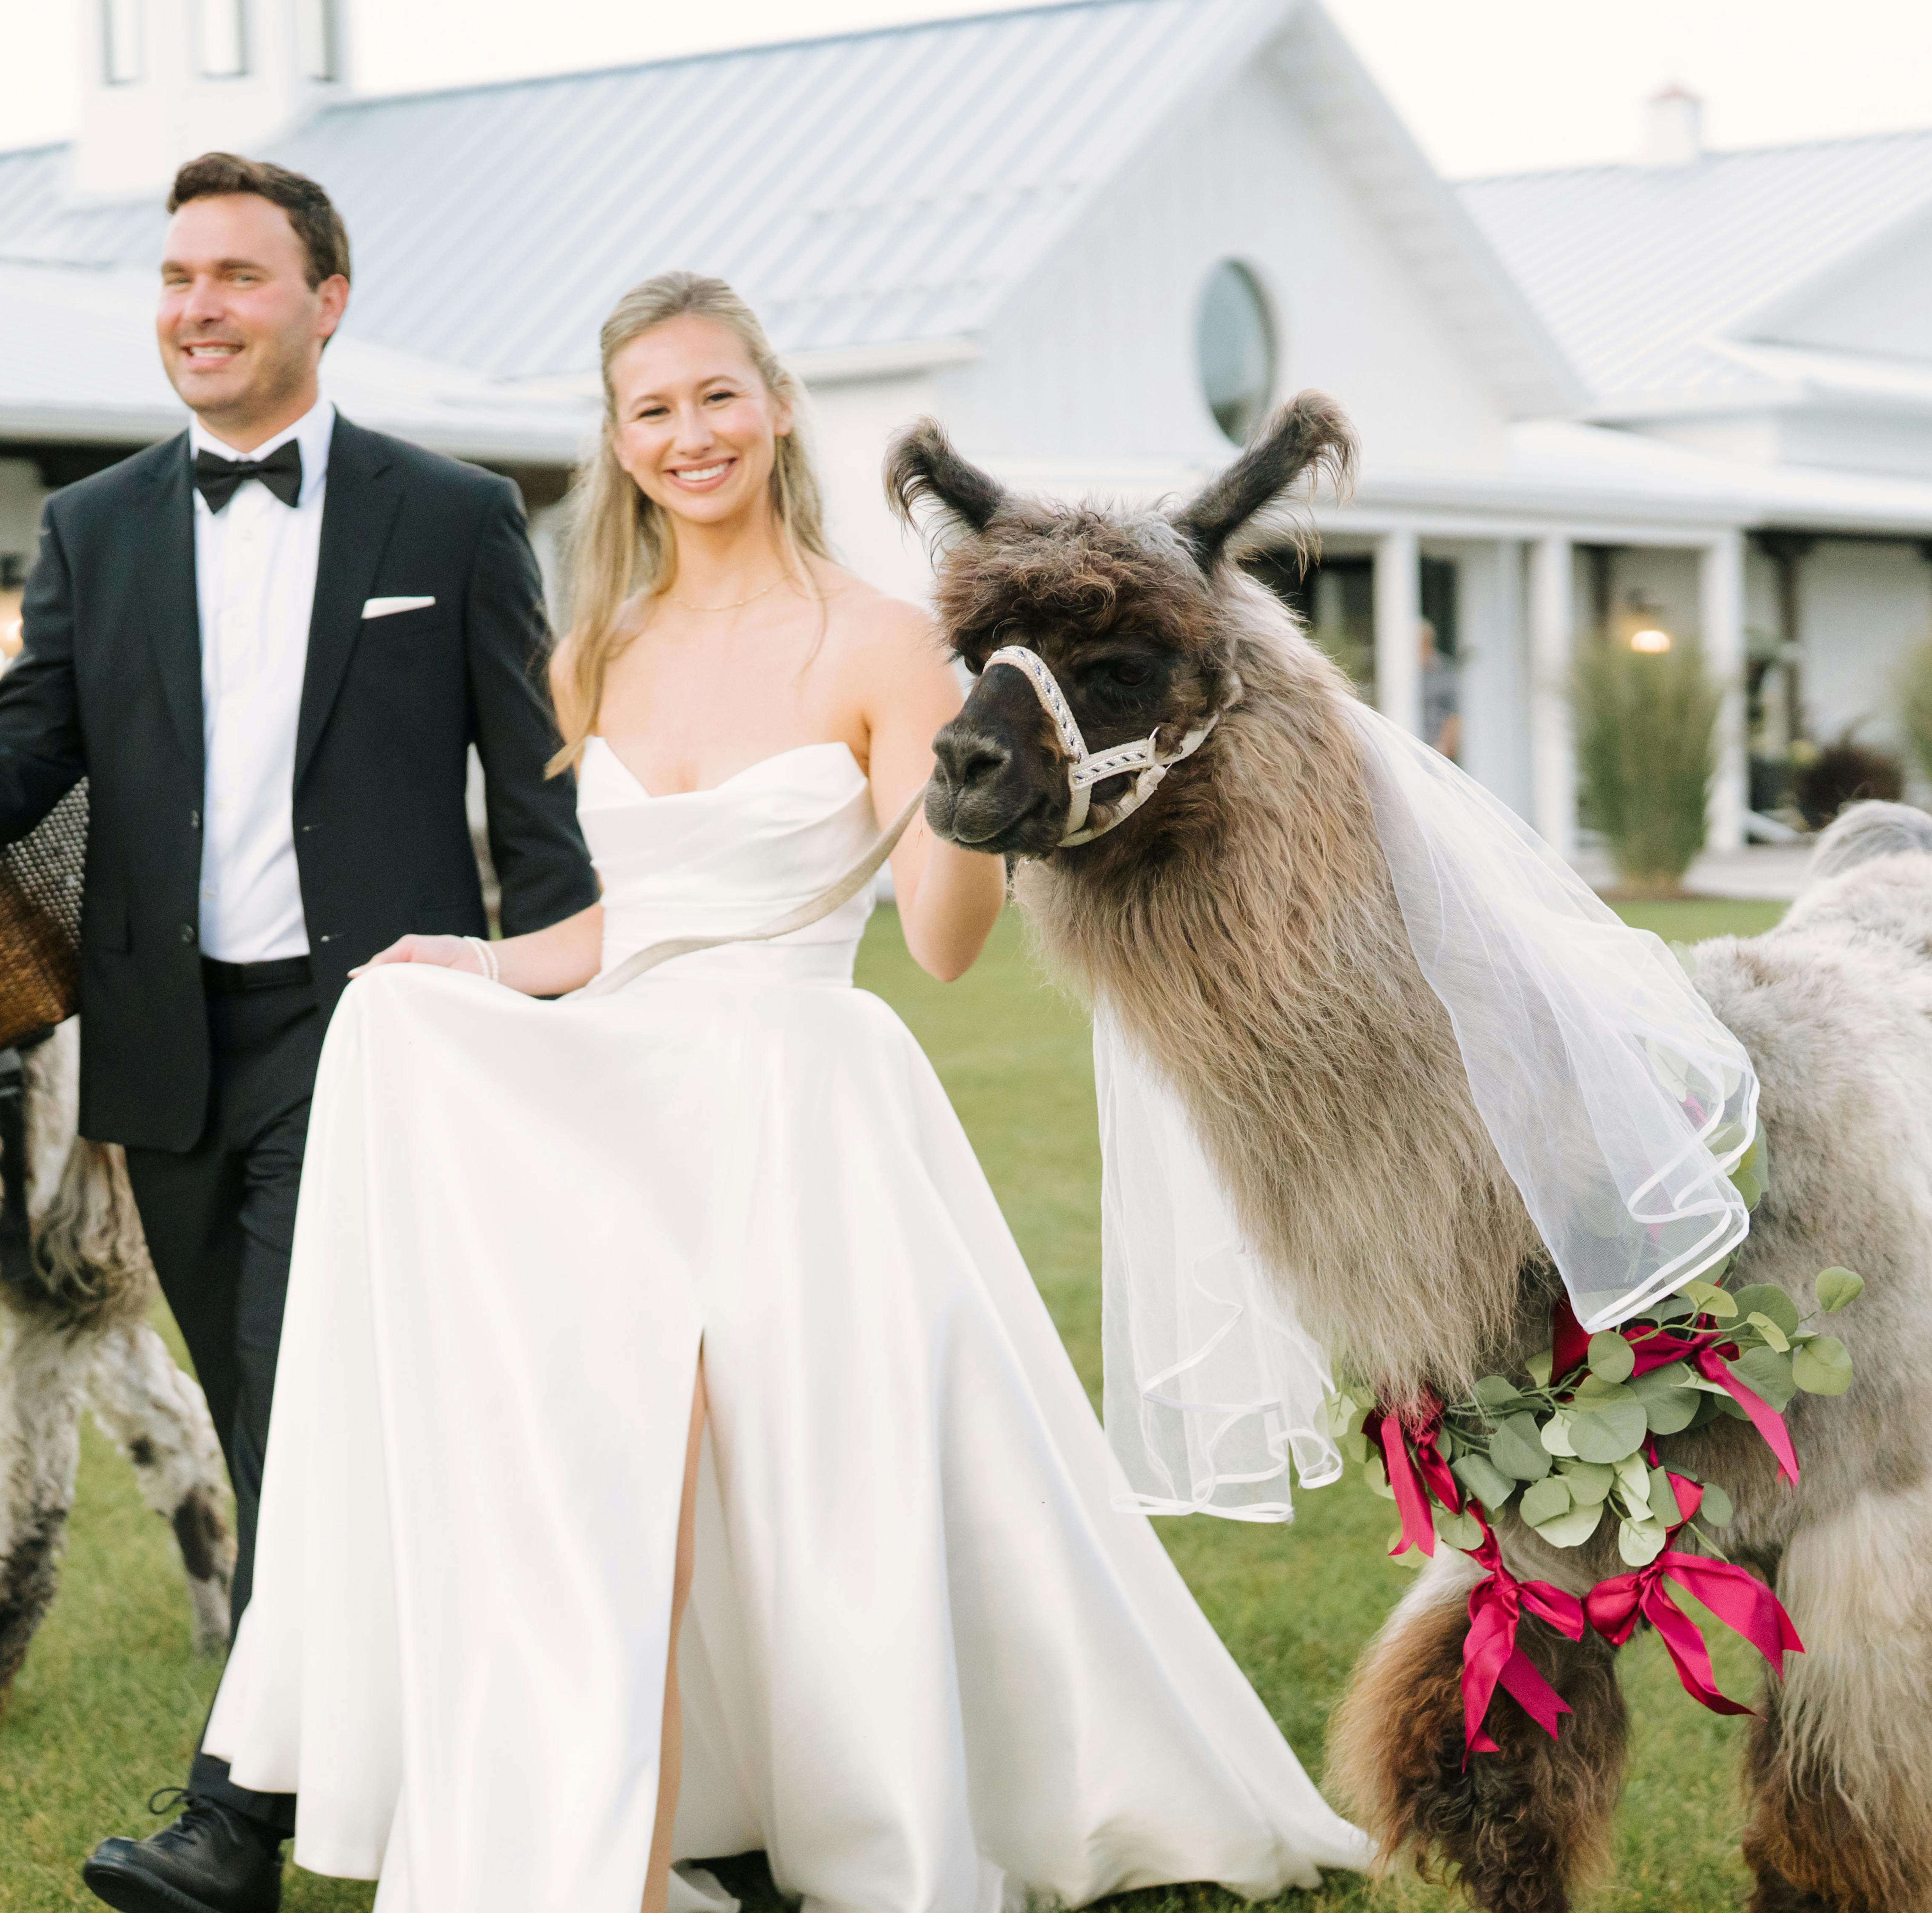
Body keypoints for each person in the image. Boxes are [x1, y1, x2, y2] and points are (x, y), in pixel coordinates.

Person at [187, 273, 1369, 1913]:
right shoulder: (593, 649)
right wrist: (473, 968)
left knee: (808, 1485)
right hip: (615, 1101)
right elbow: (616, 916)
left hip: (792, 1103)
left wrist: (986, 786)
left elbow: (943, 948)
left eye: (715, 398)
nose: (689, 436)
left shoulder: (887, 641)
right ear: (616, 440)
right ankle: (620, 1822)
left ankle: (841, 1810)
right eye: (651, 410)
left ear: (777, 405)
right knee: (580, 1435)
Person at [0, 153, 599, 1905]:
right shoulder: (95, 529)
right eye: (176, 277)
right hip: (170, 1057)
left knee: (307, 1411)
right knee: (273, 1416)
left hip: (383, 1038)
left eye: (238, 276)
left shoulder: (453, 518)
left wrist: (562, 993)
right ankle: (445, 1760)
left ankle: (232, 1823)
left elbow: (535, 804)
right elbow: (10, 767)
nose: (197, 307)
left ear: (327, 302)